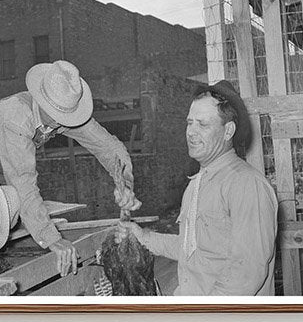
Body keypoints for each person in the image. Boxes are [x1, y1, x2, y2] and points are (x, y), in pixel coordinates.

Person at [0, 59, 139, 278]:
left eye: (67, 117)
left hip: (11, 147)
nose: (64, 122)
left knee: (11, 213)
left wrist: (124, 182)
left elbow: (108, 146)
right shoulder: (17, 117)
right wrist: (51, 238)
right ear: (42, 101)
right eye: (58, 117)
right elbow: (23, 182)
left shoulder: (68, 108)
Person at [116, 81, 278, 296]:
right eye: (189, 123)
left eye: (202, 124)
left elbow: (246, 272)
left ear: (228, 131)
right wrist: (142, 237)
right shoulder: (197, 183)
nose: (191, 132)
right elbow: (192, 250)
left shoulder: (246, 184)